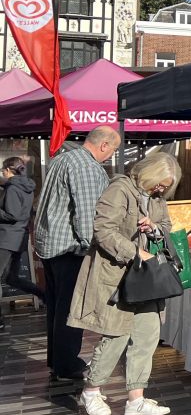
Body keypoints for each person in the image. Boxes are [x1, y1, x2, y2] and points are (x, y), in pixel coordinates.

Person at [70, 152, 181, 415]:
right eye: (160, 184)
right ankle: (91, 392)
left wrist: (154, 228)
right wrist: (135, 251)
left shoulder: (156, 198)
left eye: (166, 187)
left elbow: (166, 226)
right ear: (149, 173)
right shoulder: (119, 189)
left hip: (147, 278)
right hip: (116, 276)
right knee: (115, 335)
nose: (161, 190)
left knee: (147, 335)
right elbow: (102, 231)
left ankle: (136, 399)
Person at [34, 126, 121, 381]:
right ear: (104, 145)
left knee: (57, 308)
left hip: (51, 245)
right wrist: (96, 247)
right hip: (70, 248)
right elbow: (87, 216)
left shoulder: (63, 158)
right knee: (71, 310)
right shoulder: (87, 167)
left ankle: (58, 361)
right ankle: (67, 365)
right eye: (113, 150)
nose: (111, 156)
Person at [0, 157, 38, 329]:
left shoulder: (13, 188)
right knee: (11, 278)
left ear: (8, 170)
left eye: (2, 170)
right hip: (18, 238)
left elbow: (13, 214)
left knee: (10, 277)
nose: (2, 173)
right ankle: (45, 295)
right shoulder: (26, 187)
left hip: (6, 239)